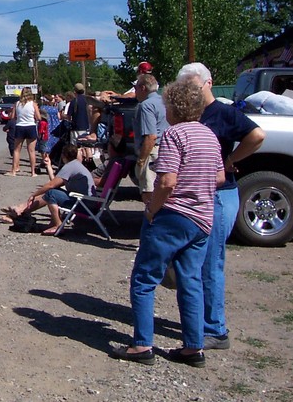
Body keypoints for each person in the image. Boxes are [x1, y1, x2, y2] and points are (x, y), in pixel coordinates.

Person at [112, 78, 224, 368]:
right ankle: (193, 347)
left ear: (173, 107)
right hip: (202, 219)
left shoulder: (175, 136)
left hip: (173, 216)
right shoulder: (210, 136)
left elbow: (167, 181)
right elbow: (220, 177)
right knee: (191, 281)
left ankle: (142, 344)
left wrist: (152, 209)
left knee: (144, 278)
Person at [178, 62, 265, 350]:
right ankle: (202, 322)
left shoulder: (224, 114)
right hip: (198, 196)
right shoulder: (190, 115)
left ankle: (215, 329)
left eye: (193, 86)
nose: (189, 91)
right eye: (185, 87)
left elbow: (257, 135)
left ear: (208, 83)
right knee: (196, 261)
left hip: (219, 194)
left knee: (211, 262)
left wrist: (231, 161)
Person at [0, 144, 95, 235]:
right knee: (51, 193)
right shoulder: (75, 165)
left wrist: (33, 195)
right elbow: (55, 183)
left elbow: (51, 185)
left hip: (84, 205)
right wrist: (49, 166)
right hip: (86, 202)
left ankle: (57, 225)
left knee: (51, 194)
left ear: (63, 155)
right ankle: (20, 211)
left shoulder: (70, 166)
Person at [134, 73, 169, 204]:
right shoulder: (165, 102)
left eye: (136, 88)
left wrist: (141, 160)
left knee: (149, 193)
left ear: (143, 88)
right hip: (168, 150)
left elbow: (151, 136)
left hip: (152, 153)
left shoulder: (146, 105)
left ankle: (151, 221)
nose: (135, 91)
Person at [6, 87, 40, 177]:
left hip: (20, 126)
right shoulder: (33, 104)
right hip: (31, 126)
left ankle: (13, 171)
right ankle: (33, 172)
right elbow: (38, 117)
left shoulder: (17, 104)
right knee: (31, 151)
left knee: (16, 150)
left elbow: (12, 116)